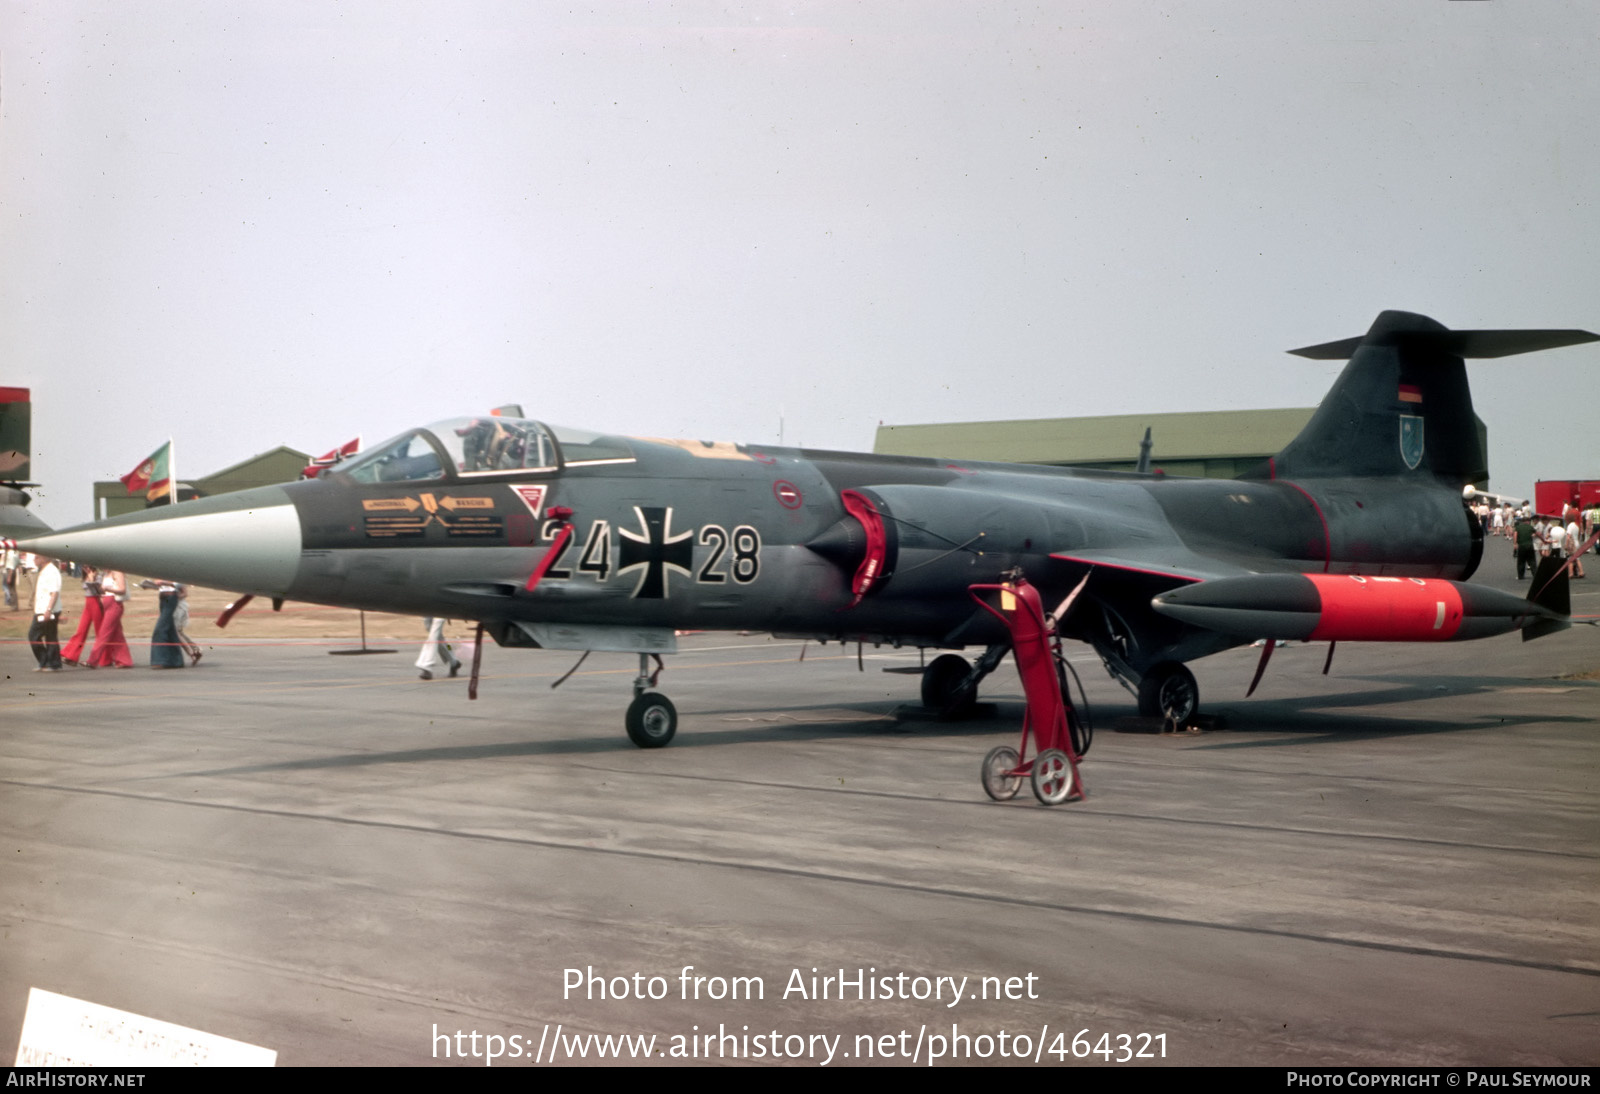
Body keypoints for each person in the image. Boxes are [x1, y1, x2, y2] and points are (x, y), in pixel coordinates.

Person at [60, 566, 104, 666]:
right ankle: (71, 655)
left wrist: (92, 579)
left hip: (95, 602)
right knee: (81, 630)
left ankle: (103, 657)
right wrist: (88, 577)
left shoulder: (98, 576)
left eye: (87, 567)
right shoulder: (86, 575)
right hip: (88, 603)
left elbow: (98, 591)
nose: (85, 568)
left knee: (100, 631)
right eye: (84, 567)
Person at [90, 569, 134, 668]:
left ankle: (92, 660)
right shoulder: (106, 574)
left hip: (115, 604)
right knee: (117, 635)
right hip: (107, 603)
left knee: (103, 633)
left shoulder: (117, 572)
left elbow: (122, 589)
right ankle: (124, 660)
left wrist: (108, 589)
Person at [29, 554, 63, 671]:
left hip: (47, 610)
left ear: (44, 558)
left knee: (35, 635)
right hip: (41, 610)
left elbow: (54, 593)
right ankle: (49, 662)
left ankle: (50, 662)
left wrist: (48, 610)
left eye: (37, 557)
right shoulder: (43, 571)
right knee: (50, 635)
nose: (34, 559)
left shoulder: (52, 571)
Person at [143, 578, 186, 668]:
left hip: (171, 598)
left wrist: (164, 582)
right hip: (163, 598)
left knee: (160, 629)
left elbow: (179, 584)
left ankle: (160, 660)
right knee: (170, 629)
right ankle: (176, 660)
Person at [1513, 514, 1536, 580]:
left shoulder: (1518, 527)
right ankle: (1535, 574)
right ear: (1528, 521)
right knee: (1532, 561)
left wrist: (1515, 544)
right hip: (1530, 546)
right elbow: (1536, 533)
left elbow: (1515, 535)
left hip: (1521, 546)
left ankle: (1520, 576)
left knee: (1521, 561)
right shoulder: (1530, 527)